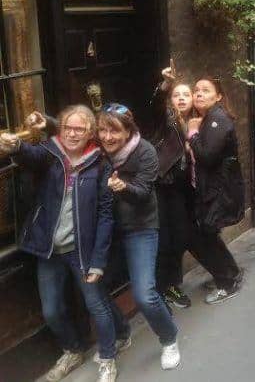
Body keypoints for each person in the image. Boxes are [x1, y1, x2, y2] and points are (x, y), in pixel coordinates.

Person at [0, 106, 119, 382]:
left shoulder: (100, 163)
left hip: (82, 250)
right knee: (52, 311)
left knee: (96, 305)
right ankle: (73, 350)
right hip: (49, 250)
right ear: (60, 129)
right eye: (67, 128)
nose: (72, 134)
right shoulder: (50, 153)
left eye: (79, 129)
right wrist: (16, 145)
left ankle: (108, 356)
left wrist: (99, 260)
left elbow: (105, 215)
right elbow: (29, 155)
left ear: (90, 132)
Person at [97, 104, 181, 370]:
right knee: (93, 286)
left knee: (144, 294)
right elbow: (72, 129)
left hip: (140, 227)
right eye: (102, 130)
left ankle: (169, 338)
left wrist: (122, 188)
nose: (107, 137)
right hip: (108, 230)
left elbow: (143, 193)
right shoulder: (100, 151)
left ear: (128, 130)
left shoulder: (144, 151)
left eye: (114, 131)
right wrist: (49, 124)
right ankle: (122, 333)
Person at [187, 78, 245, 304]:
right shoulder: (208, 118)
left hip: (220, 188)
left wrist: (192, 133)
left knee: (207, 233)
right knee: (209, 233)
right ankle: (231, 273)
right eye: (196, 90)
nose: (199, 94)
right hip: (214, 187)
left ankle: (227, 283)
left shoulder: (217, 119)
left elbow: (207, 156)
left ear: (218, 96)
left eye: (205, 90)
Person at [151, 64, 194, 309]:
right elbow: (156, 104)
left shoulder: (198, 122)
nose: (181, 98)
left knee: (178, 238)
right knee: (164, 239)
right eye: (176, 95)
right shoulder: (166, 120)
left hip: (183, 188)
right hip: (163, 184)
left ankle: (172, 285)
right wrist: (165, 85)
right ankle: (163, 289)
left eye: (185, 95)